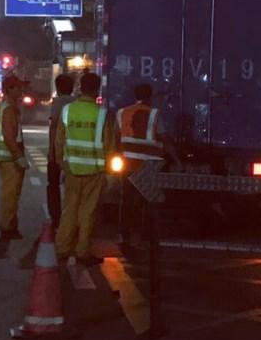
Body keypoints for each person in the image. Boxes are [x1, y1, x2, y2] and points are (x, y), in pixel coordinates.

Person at [54, 73, 115, 266]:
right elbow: (109, 145)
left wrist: (62, 164)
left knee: (69, 209)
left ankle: (62, 248)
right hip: (94, 172)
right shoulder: (102, 114)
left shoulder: (67, 110)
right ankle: (82, 252)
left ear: (80, 87)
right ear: (97, 90)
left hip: (72, 169)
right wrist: (109, 173)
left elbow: (59, 141)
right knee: (88, 213)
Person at [115, 83, 171, 245]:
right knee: (147, 200)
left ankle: (124, 234)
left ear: (135, 95)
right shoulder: (154, 114)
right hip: (148, 165)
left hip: (127, 163)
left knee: (126, 199)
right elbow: (163, 138)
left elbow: (116, 136)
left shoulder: (122, 112)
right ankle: (145, 235)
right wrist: (176, 159)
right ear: (150, 96)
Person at [0, 75, 31, 240]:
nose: (21, 90)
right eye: (17, 87)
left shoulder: (7, 107)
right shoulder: (8, 109)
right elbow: (9, 137)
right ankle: (7, 228)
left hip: (7, 158)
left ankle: (10, 226)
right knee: (10, 195)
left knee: (12, 194)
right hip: (9, 159)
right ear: (9, 90)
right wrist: (18, 156)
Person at [47, 74, 77, 228]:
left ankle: (56, 218)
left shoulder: (58, 103)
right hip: (74, 152)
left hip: (58, 150)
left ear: (58, 88)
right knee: (72, 188)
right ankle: (72, 218)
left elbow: (54, 127)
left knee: (53, 185)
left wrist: (51, 152)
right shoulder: (77, 102)